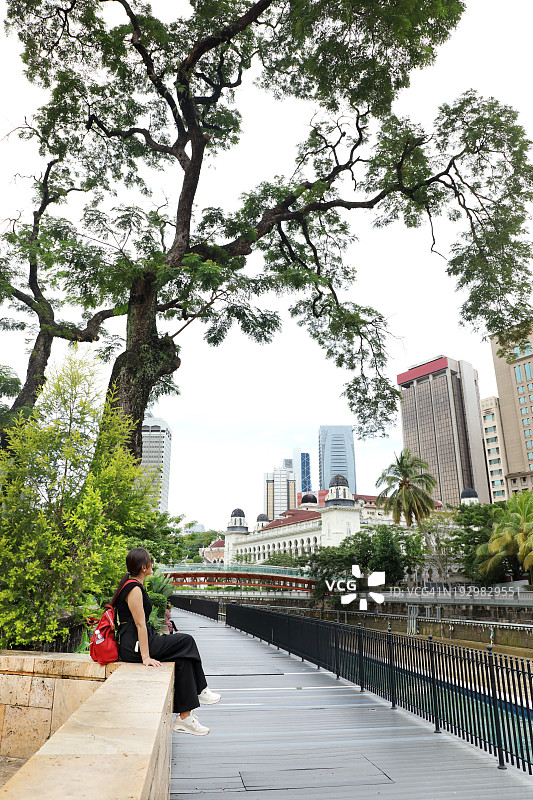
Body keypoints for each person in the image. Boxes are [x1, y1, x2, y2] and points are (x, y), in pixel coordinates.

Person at [111, 547, 221, 735]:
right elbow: (140, 625)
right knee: (186, 641)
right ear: (144, 567)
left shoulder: (133, 584)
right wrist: (146, 657)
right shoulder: (133, 588)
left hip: (137, 642)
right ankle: (201, 690)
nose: (152, 564)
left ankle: (184, 718)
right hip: (135, 646)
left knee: (183, 658)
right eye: (151, 561)